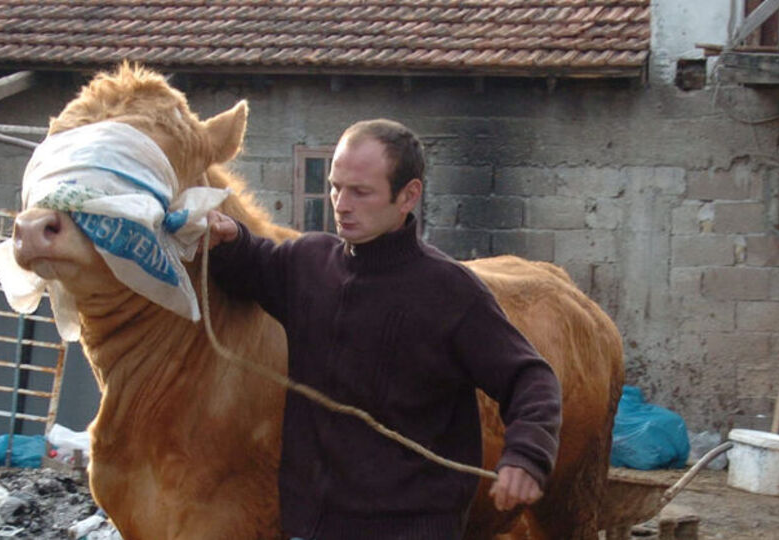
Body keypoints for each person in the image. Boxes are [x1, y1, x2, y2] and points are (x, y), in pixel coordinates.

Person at [205, 119, 562, 540]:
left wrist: (526, 455)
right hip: (310, 526)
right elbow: (255, 263)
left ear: (408, 195)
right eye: (336, 187)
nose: (340, 203)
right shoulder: (307, 262)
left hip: (410, 529)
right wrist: (230, 240)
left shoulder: (450, 292)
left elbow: (531, 378)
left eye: (361, 192)